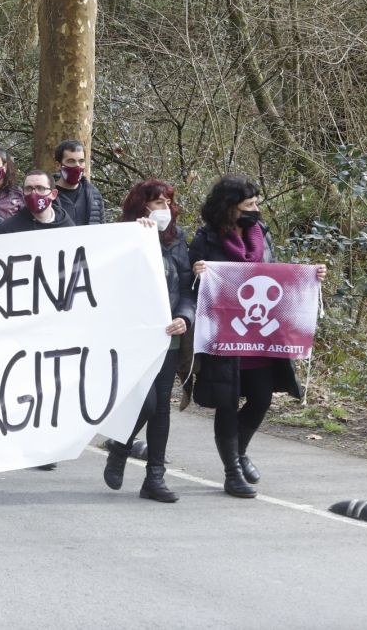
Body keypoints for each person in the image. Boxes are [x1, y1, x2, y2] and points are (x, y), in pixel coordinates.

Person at [189, 175, 326, 499]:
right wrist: (198, 275)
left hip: (262, 336)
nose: (257, 209)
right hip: (226, 336)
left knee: (262, 398)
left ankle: (239, 451)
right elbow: (191, 285)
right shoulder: (206, 239)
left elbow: (276, 275)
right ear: (229, 207)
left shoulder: (260, 233)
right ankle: (232, 473)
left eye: (256, 203)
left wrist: (312, 275)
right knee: (227, 402)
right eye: (249, 205)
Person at [102, 179, 194, 504]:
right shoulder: (123, 237)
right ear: (141, 206)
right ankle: (121, 446)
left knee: (162, 408)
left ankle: (155, 477)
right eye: (156, 203)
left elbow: (185, 288)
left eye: (167, 202)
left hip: (167, 336)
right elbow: (115, 282)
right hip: (135, 336)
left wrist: (185, 317)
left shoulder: (178, 240)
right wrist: (140, 239)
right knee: (148, 401)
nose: (164, 209)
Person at [0, 167, 75, 470]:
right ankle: (29, 444)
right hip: (23, 320)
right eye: (28, 189)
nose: (34, 195)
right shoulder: (10, 228)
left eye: (40, 189)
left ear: (53, 193)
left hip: (57, 318)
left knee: (53, 382)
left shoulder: (69, 226)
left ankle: (49, 443)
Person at [53, 139, 105, 226]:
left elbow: (102, 231)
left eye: (81, 161)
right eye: (71, 161)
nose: (77, 165)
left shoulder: (94, 195)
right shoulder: (47, 195)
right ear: (58, 165)